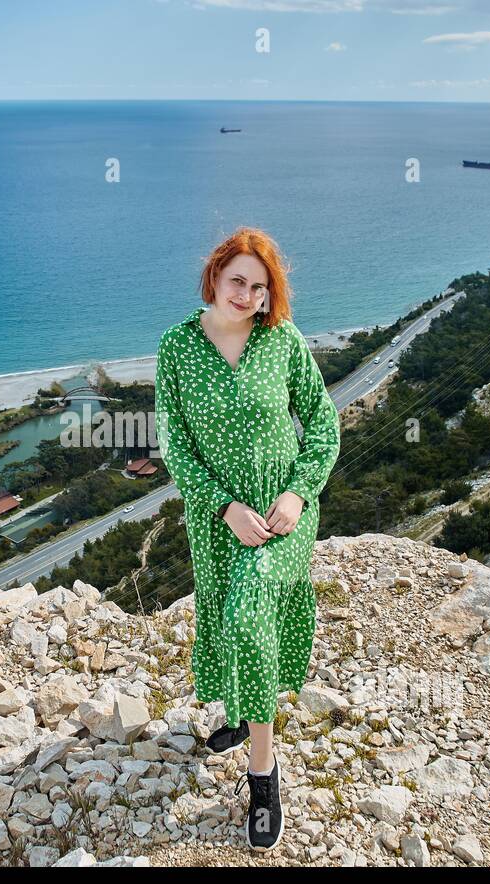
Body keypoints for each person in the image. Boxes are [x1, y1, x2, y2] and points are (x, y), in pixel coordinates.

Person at [154, 226, 341, 851]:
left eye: (260, 288)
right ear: (214, 277)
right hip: (219, 519)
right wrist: (223, 505)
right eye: (238, 281)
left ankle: (263, 773)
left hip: (285, 513)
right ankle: (239, 711)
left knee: (253, 609)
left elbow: (322, 422)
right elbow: (176, 446)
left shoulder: (281, 341)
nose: (248, 295)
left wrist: (298, 493)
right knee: (230, 617)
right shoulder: (177, 348)